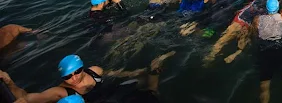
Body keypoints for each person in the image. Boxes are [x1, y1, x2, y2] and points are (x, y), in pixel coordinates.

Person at [2, 52, 174, 103]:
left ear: (82, 68)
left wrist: (140, 71)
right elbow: (27, 98)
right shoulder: (61, 92)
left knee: (149, 91)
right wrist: (9, 83)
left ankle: (153, 73)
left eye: (77, 72)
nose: (74, 78)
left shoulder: (94, 71)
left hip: (113, 93)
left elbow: (117, 74)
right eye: (68, 76)